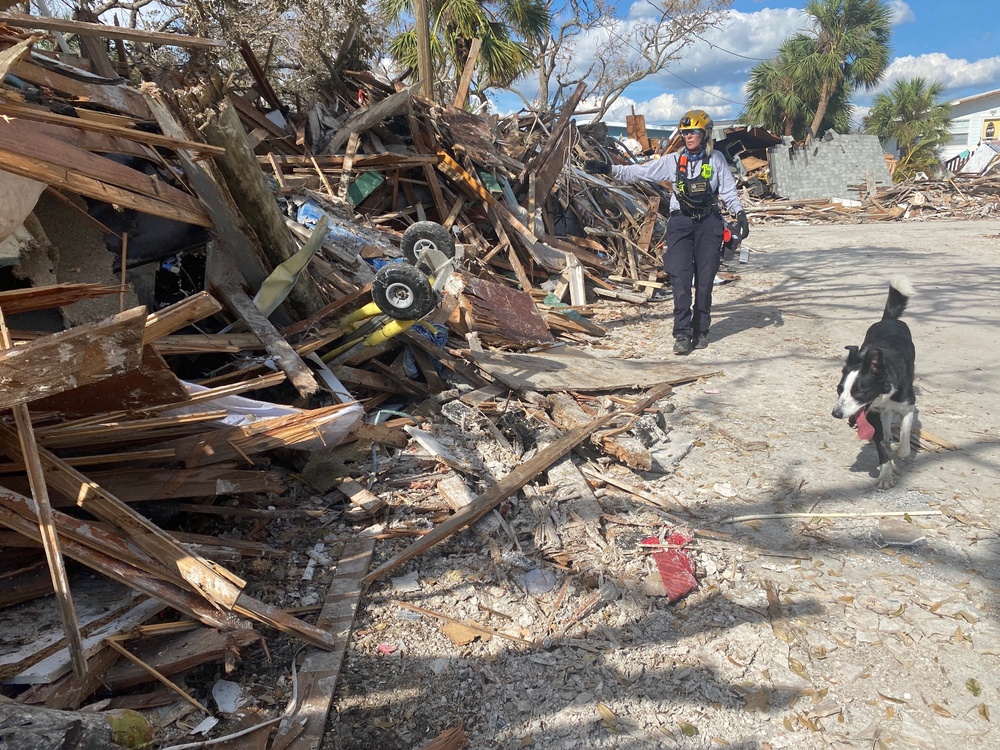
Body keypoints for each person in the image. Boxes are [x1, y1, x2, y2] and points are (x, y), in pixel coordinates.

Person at [585, 110, 749, 355]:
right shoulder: (673, 161)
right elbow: (639, 172)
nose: (688, 137)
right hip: (681, 224)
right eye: (684, 133)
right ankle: (682, 333)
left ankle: (701, 330)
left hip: (709, 224)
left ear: (705, 134)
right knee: (681, 280)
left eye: (693, 132)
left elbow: (728, 192)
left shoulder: (716, 160)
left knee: (705, 281)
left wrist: (740, 213)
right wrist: (607, 168)